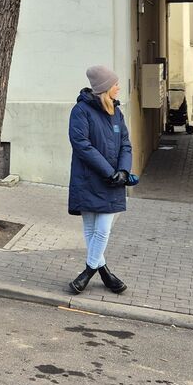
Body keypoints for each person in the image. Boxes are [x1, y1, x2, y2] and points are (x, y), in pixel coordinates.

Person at [65, 65, 134, 296]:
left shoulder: (117, 113)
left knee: (102, 229)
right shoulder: (81, 111)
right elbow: (82, 145)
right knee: (91, 229)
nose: (119, 87)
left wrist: (123, 171)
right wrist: (109, 172)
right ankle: (105, 274)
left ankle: (87, 273)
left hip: (113, 180)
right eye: (115, 84)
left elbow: (125, 143)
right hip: (89, 179)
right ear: (105, 88)